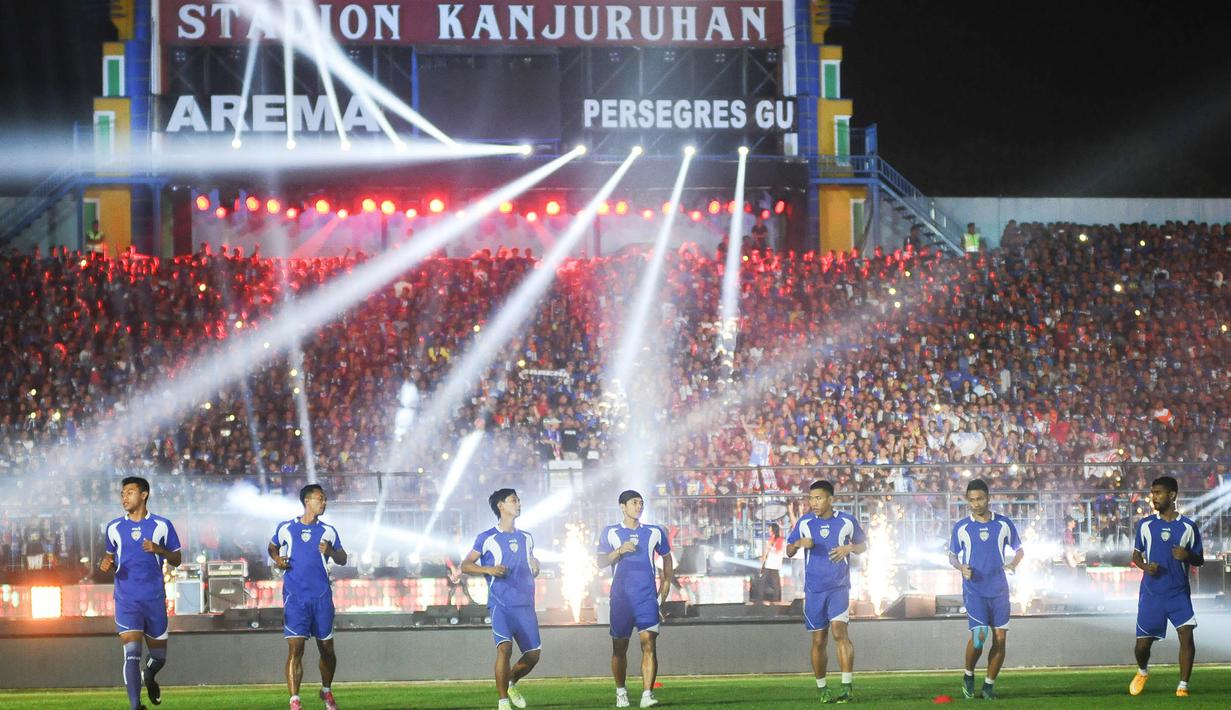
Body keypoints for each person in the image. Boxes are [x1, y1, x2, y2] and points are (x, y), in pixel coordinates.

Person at [100, 476, 182, 710]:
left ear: (144, 495)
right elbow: (111, 559)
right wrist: (107, 564)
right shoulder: (114, 527)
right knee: (132, 652)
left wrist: (159, 550)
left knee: (159, 658)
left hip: (154, 599)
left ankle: (150, 675)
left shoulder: (162, 525)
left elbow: (177, 559)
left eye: (129, 492)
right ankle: (136, 706)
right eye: (122, 494)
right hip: (126, 600)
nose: (124, 497)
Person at [785, 480, 867, 703]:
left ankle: (847, 687)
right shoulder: (805, 522)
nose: (814, 502)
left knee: (840, 632)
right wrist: (799, 543)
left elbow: (863, 545)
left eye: (818, 498)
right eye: (811, 498)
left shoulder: (846, 521)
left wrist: (849, 547)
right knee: (819, 640)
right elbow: (789, 550)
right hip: (814, 590)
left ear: (830, 499)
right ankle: (822, 688)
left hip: (839, 587)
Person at [462, 488, 542, 710]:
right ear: (501, 506)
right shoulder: (487, 537)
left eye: (518, 500)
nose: (518, 504)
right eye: (513, 500)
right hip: (501, 604)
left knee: (533, 655)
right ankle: (503, 701)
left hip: (525, 605)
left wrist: (536, 567)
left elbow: (531, 563)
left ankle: (512, 681)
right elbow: (465, 565)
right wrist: (488, 569)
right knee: (504, 648)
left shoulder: (527, 537)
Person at [269, 484, 347, 710]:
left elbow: (343, 558)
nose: (324, 502)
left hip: (321, 598)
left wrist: (330, 552)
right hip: (295, 598)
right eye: (320, 498)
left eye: (324, 499)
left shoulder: (328, 531)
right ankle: (294, 700)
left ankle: (326, 691)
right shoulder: (286, 527)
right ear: (307, 501)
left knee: (327, 650)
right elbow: (272, 547)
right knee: (296, 649)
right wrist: (277, 559)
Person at [595, 490, 674, 708]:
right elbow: (600, 562)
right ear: (622, 507)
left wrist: (666, 582)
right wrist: (619, 551)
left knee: (649, 643)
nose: (639, 506)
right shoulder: (611, 532)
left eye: (641, 503)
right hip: (621, 599)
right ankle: (621, 691)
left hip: (646, 598)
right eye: (634, 503)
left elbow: (667, 557)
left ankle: (647, 694)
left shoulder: (654, 532)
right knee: (619, 647)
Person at [1129, 476, 1204, 698]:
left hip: (1178, 593)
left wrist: (1187, 555)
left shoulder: (1188, 527)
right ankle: (1142, 671)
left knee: (1186, 634)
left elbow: (1199, 559)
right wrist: (1145, 567)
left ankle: (1183, 686)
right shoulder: (1145, 525)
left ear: (1172, 495)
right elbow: (1136, 555)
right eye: (1152, 493)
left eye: (1158, 493)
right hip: (1151, 593)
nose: (1154, 497)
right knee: (1142, 646)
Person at [948, 478, 1023, 700]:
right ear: (967, 501)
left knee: (1000, 638)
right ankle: (968, 675)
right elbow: (952, 556)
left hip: (999, 590)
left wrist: (1013, 564)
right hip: (975, 590)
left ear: (988, 498)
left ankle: (988, 686)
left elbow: (1020, 550)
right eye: (972, 500)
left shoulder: (1003, 524)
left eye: (980, 499)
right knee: (980, 636)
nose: (976, 503)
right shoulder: (962, 527)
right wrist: (961, 567)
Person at [757, 522, 785, 604]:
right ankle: (760, 598)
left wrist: (770, 547)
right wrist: (763, 558)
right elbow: (767, 551)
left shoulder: (779, 539)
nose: (769, 531)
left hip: (775, 564)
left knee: (775, 582)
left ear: (773, 530)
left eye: (770, 529)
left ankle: (776, 599)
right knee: (762, 580)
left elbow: (778, 551)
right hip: (768, 563)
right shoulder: (771, 539)